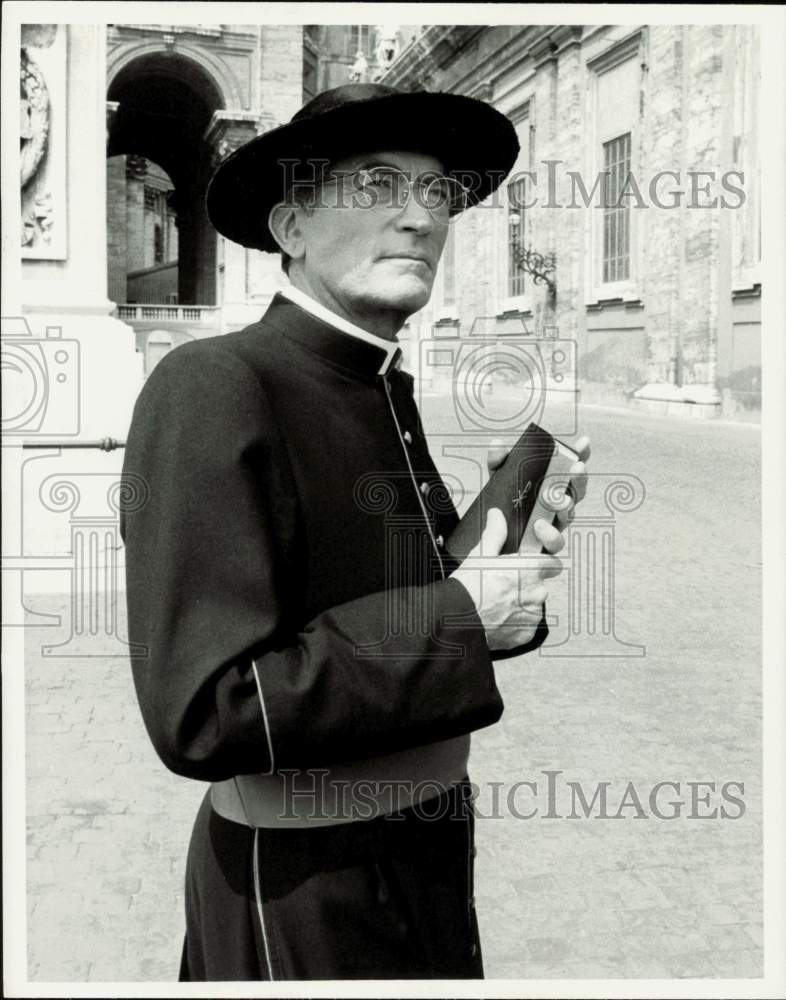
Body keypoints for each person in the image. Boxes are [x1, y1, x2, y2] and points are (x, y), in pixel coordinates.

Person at [120, 83, 590, 982]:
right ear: (292, 227)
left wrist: (502, 580)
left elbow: (395, 610)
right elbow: (204, 712)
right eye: (377, 186)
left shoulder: (379, 384)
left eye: (437, 196)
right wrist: (456, 618)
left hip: (427, 848)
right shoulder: (213, 384)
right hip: (305, 883)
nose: (419, 219)